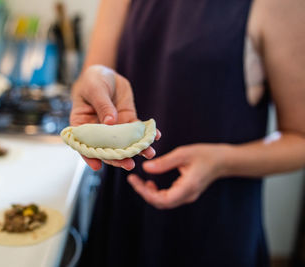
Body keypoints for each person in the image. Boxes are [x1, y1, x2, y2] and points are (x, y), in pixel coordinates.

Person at [70, 0, 305, 266]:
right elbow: (96, 73)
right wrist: (92, 81)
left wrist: (221, 162)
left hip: (213, 226)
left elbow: (300, 138)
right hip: (123, 210)